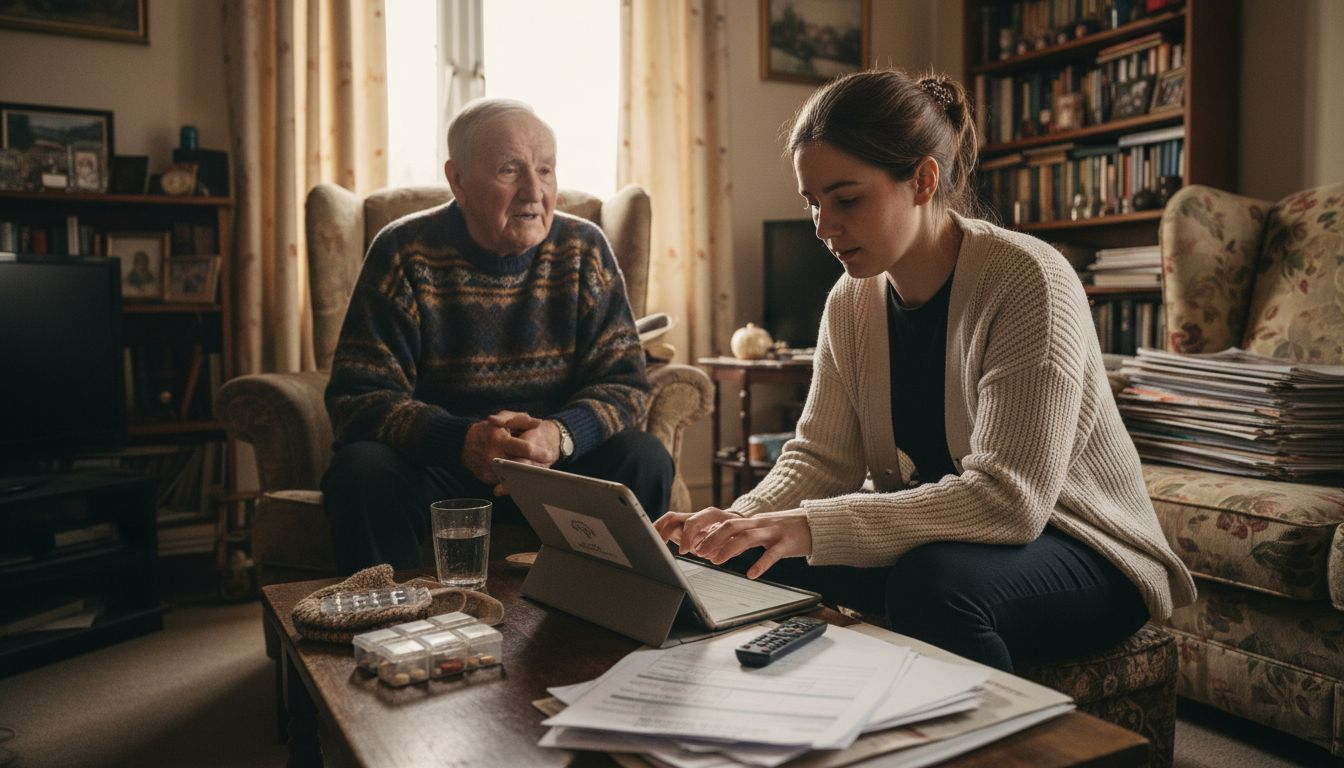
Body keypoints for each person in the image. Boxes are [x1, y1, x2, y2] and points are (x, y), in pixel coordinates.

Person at [654, 70, 1196, 672]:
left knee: (931, 584)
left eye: (847, 198)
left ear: (922, 180)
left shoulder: (1028, 281)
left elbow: (1010, 502)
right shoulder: (850, 300)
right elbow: (821, 458)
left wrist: (808, 525)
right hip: (946, 539)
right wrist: (737, 523)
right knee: (740, 559)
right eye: (813, 202)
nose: (823, 226)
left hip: (1079, 548)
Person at [323, 98, 673, 574]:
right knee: (360, 471)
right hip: (443, 471)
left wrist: (559, 435)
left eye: (545, 170)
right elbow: (358, 397)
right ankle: (392, 628)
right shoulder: (405, 251)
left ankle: (618, 624)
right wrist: (461, 440)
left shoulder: (584, 248)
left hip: (556, 468)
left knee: (643, 457)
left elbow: (627, 386)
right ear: (458, 180)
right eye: (510, 169)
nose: (534, 191)